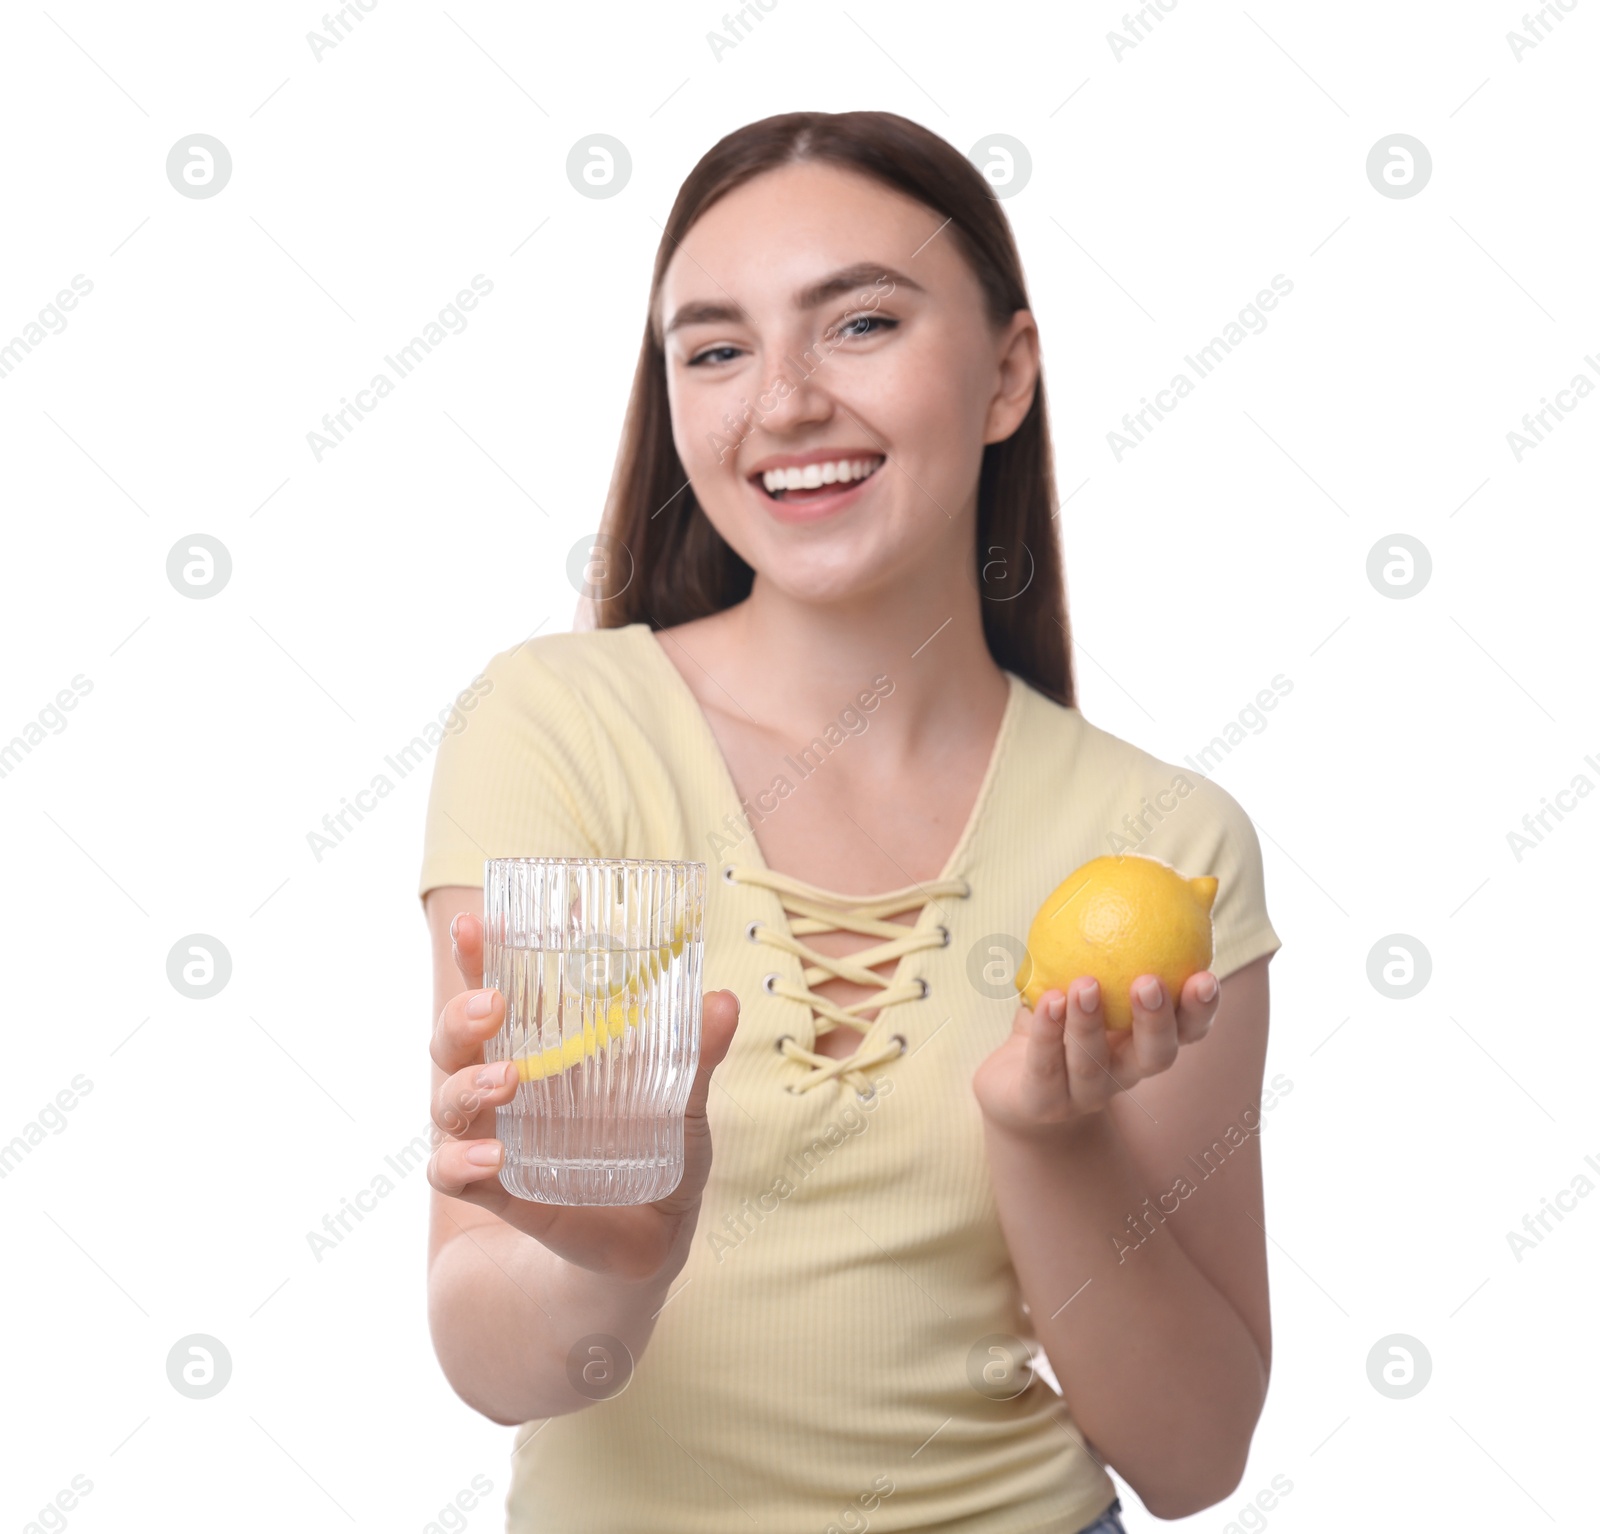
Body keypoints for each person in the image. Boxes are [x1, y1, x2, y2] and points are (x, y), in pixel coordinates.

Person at [418, 109, 1281, 1533]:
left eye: (860, 323)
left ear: (1007, 373)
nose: (783, 403)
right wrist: (615, 1259)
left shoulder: (1162, 839)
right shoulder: (559, 730)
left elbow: (1193, 1457)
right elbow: (497, 1362)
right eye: (715, 349)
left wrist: (1046, 1135)